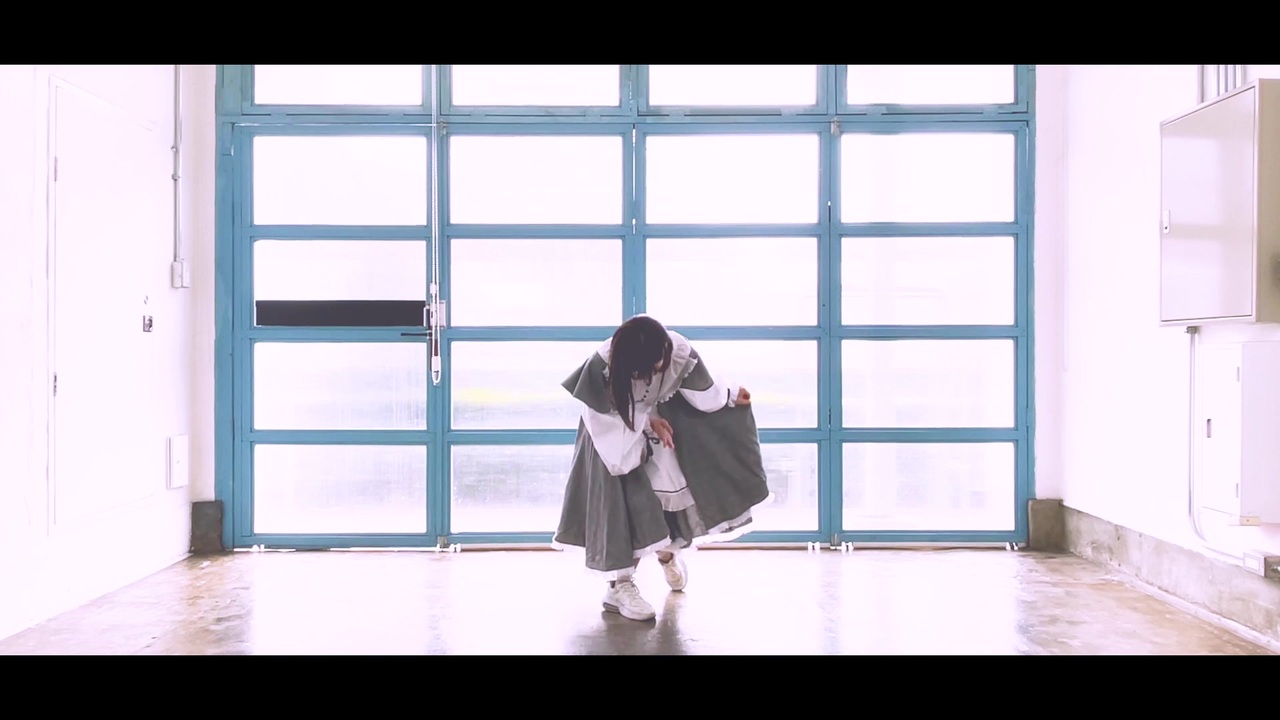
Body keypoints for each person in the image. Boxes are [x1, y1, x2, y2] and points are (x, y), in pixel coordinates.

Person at [552, 314, 771, 621]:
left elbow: (705, 393)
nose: (656, 372)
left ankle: (667, 554)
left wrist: (732, 396)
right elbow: (606, 425)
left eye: (659, 364)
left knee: (667, 492)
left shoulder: (678, 351)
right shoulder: (602, 367)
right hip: (613, 436)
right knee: (624, 502)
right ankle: (619, 585)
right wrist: (646, 423)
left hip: (662, 423)